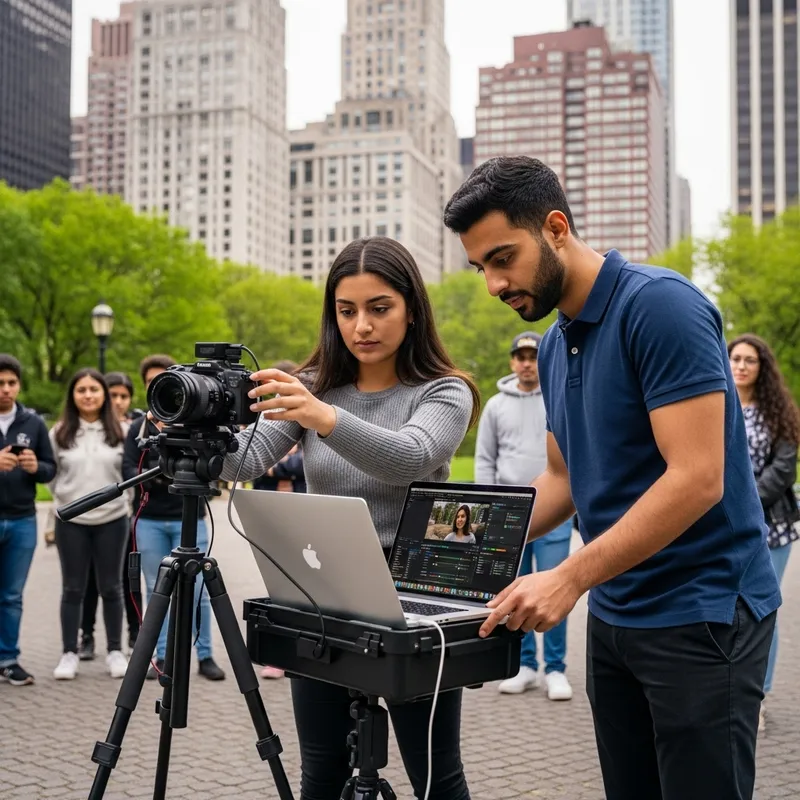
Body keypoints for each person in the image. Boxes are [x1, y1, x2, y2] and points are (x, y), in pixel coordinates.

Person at [444, 156, 781, 800]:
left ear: (556, 227)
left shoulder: (660, 307)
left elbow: (698, 479)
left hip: (703, 612)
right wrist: (457, 542)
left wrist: (568, 577)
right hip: (616, 611)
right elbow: (561, 478)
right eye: (480, 266)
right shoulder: (551, 342)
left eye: (503, 258)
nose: (492, 284)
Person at [220, 236, 479, 800]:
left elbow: (409, 456)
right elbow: (248, 457)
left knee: (436, 778)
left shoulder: (444, 391)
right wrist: (194, 429)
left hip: (416, 599)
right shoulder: (316, 387)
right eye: (346, 310)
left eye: (379, 307)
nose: (361, 325)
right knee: (321, 774)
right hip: (321, 595)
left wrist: (324, 417)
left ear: (412, 310)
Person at [476, 331, 573, 700]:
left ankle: (557, 669)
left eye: (534, 356)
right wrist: (486, 514)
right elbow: (486, 459)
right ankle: (527, 665)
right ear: (512, 361)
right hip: (507, 519)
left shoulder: (557, 397)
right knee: (514, 594)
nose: (528, 362)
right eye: (521, 356)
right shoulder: (496, 405)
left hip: (555, 513)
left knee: (555, 587)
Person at [123, 355, 225, 682]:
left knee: (199, 591)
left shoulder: (194, 425)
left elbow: (211, 466)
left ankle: (205, 655)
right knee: (158, 589)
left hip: (189, 517)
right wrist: (160, 476)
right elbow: (129, 469)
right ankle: (164, 655)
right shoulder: (139, 427)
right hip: (150, 520)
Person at [729, 333, 800, 731]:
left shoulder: (779, 413)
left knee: (761, 611)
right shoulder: (715, 405)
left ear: (762, 368)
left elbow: (783, 469)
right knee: (726, 611)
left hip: (771, 528)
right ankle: (728, 692)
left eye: (749, 360)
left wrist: (743, 501)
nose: (741, 365)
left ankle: (758, 697)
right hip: (720, 527)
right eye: (735, 358)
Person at [50, 369, 130, 681]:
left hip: (112, 519)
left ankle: (114, 651)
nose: (88, 395)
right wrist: (66, 499)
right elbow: (53, 475)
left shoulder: (122, 431)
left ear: (104, 395)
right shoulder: (59, 432)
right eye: (81, 389)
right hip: (71, 521)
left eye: (94, 389)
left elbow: (128, 474)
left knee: (112, 587)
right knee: (72, 588)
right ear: (72, 395)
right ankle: (69, 652)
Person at [0, 354, 57, 686]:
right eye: (0, 384)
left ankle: (8, 658)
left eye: (11, 383)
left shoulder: (33, 423)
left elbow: (50, 468)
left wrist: (37, 469)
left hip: (22, 520)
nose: (6, 390)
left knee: (11, 595)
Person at [79, 371, 142, 661]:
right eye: (113, 395)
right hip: (93, 516)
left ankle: (133, 633)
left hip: (127, 514)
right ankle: (87, 634)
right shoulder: (95, 427)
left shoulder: (134, 429)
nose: (118, 401)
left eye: (123, 396)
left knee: (126, 579)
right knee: (90, 579)